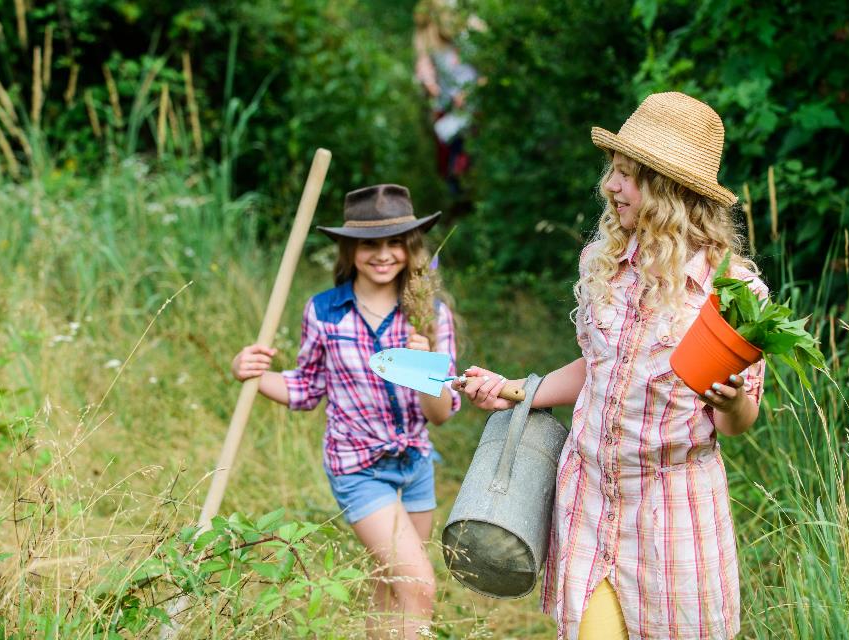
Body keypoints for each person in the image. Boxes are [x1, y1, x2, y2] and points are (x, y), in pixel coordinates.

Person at [456, 93, 766, 640]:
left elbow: (737, 423)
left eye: (627, 176)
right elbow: (596, 370)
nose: (611, 187)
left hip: (672, 512)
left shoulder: (731, 292)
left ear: (669, 192)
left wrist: (732, 401)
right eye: (614, 172)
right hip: (591, 499)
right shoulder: (608, 266)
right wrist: (514, 390)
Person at [231, 184, 460, 639]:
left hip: (414, 465)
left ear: (409, 247)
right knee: (418, 587)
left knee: (390, 588)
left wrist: (425, 368)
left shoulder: (427, 315)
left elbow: (441, 414)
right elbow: (306, 389)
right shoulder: (325, 312)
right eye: (369, 244)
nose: (383, 254)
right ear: (350, 249)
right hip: (357, 467)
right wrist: (251, 374)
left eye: (394, 242)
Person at [413, 0, 482, 196]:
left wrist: (470, 93)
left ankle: (470, 196)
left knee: (468, 154)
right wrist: (429, 84)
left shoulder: (471, 35)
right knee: (450, 153)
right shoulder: (430, 40)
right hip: (448, 108)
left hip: (474, 108)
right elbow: (424, 66)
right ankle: (458, 197)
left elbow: (486, 70)